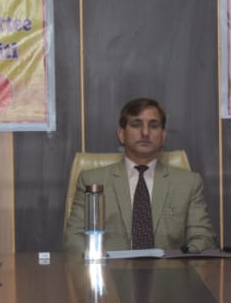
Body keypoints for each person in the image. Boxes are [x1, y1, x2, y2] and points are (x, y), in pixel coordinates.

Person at [64, 97, 217, 253]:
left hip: (169, 267)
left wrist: (175, 261)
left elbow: (203, 239)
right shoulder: (92, 181)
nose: (145, 133)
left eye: (154, 125)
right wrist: (106, 262)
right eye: (136, 125)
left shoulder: (188, 183)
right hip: (109, 266)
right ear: (121, 134)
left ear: (163, 136)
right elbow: (74, 239)